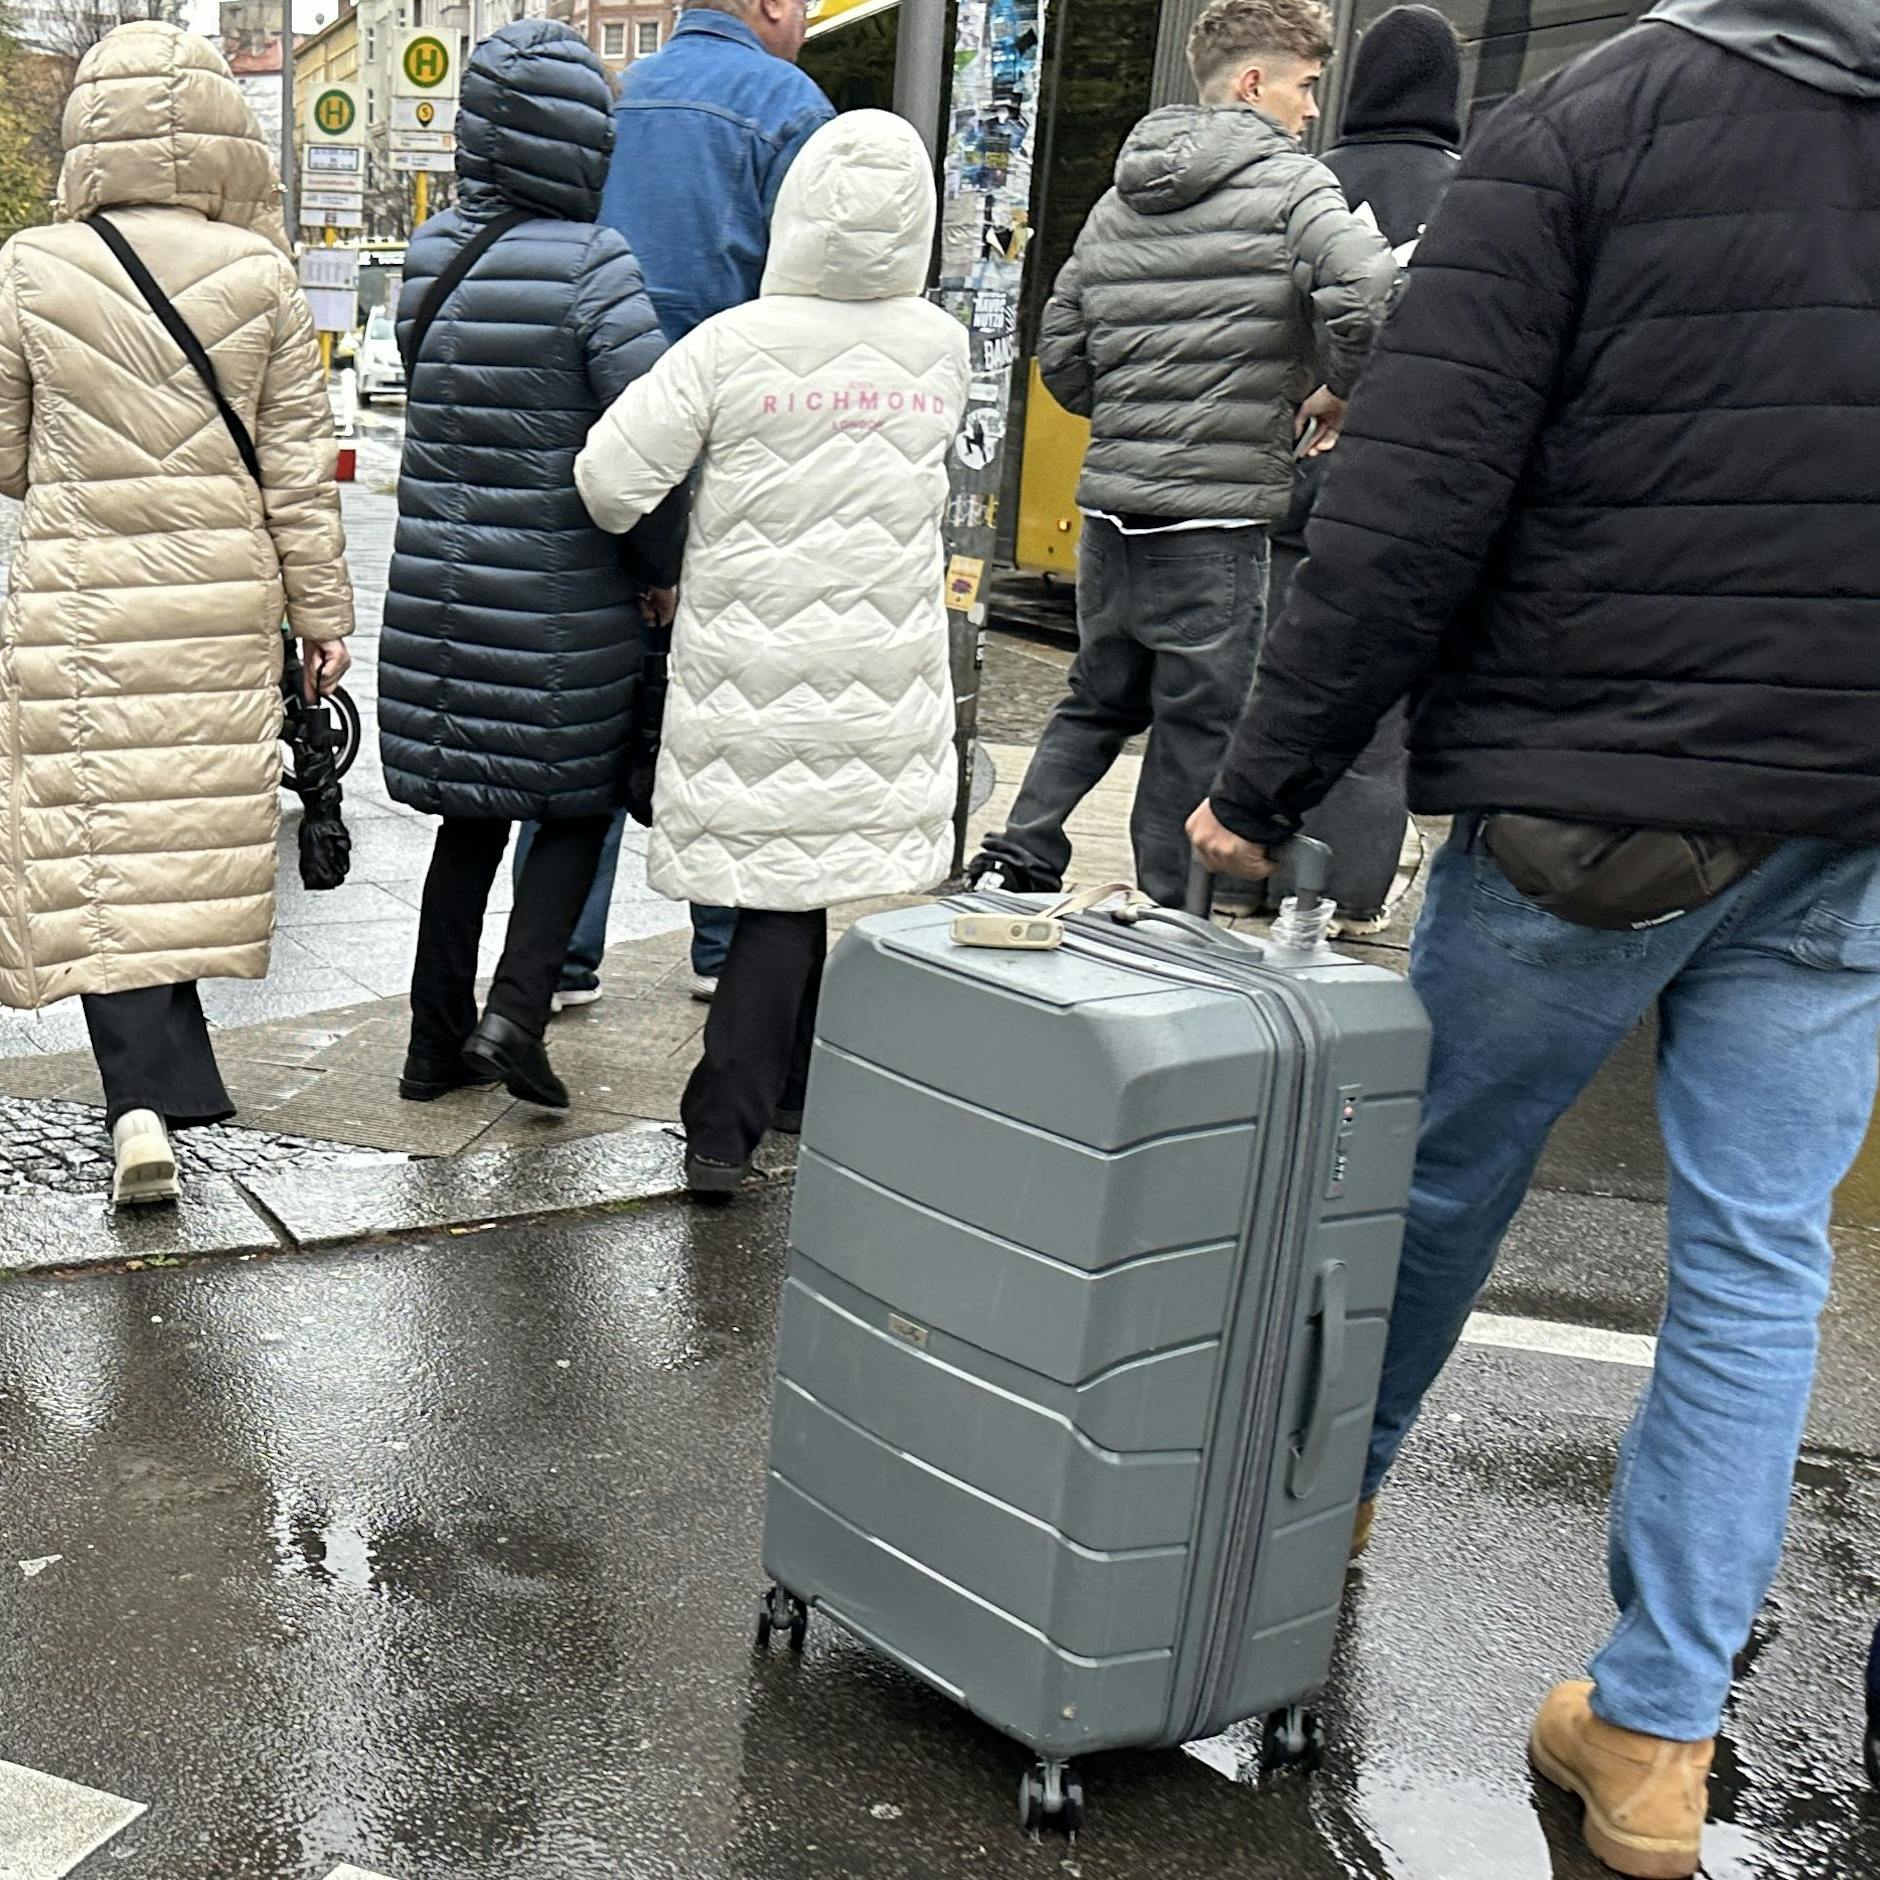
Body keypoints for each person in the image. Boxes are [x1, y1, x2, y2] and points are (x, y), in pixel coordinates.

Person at [1189, 4, 1880, 1874]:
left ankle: (1299, 1538)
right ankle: (1655, 1735)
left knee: (1427, 1189)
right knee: (1757, 1262)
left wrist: (1269, 778)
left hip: (1596, 805)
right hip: (1854, 811)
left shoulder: (1598, 118)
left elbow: (1419, 486)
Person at [576, 110, 969, 1195]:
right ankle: (793, 1089)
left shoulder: (731, 345)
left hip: (752, 678)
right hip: (882, 682)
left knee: (777, 896)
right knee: (814, 888)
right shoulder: (940, 348)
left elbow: (608, 481)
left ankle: (723, 1126)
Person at [0, 23, 352, 1208]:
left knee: (102, 848)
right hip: (216, 600)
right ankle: (161, 1086)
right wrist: (322, 614)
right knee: (177, 837)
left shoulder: (30, 266)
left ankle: (139, 1100)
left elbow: (5, 453)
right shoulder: (261, 276)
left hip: (79, 597)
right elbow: (296, 471)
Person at [964, 0, 1392, 909]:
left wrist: (1129, 407)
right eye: (1306, 87)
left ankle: (1021, 854)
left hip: (1113, 510)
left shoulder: (1122, 197)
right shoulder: (1293, 186)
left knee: (1096, 695)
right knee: (1197, 722)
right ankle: (1167, 910)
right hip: (1218, 516)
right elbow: (1365, 289)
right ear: (1252, 83)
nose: (1313, 111)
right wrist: (1341, 387)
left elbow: (1064, 351)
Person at [379, 22, 683, 1112]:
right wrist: (663, 568)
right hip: (569, 600)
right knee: (573, 802)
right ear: (579, 138)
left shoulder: (430, 254)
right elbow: (645, 439)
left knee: (469, 819)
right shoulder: (596, 264)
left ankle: (428, 1048)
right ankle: (516, 1011)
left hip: (443, 594)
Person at [520, 0, 837, 1014]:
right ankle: (719, 941)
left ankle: (557, 955)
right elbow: (818, 288)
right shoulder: (791, 106)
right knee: (726, 693)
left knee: (595, 690)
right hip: (736, 442)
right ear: (774, 7)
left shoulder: (616, 97)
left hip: (603, 428)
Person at [1263, 3, 1463, 931]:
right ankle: (1343, 898)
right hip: (1406, 485)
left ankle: (1246, 864)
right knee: (1375, 705)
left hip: (1284, 466)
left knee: (1269, 673)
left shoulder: (1304, 183)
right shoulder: (1481, 194)